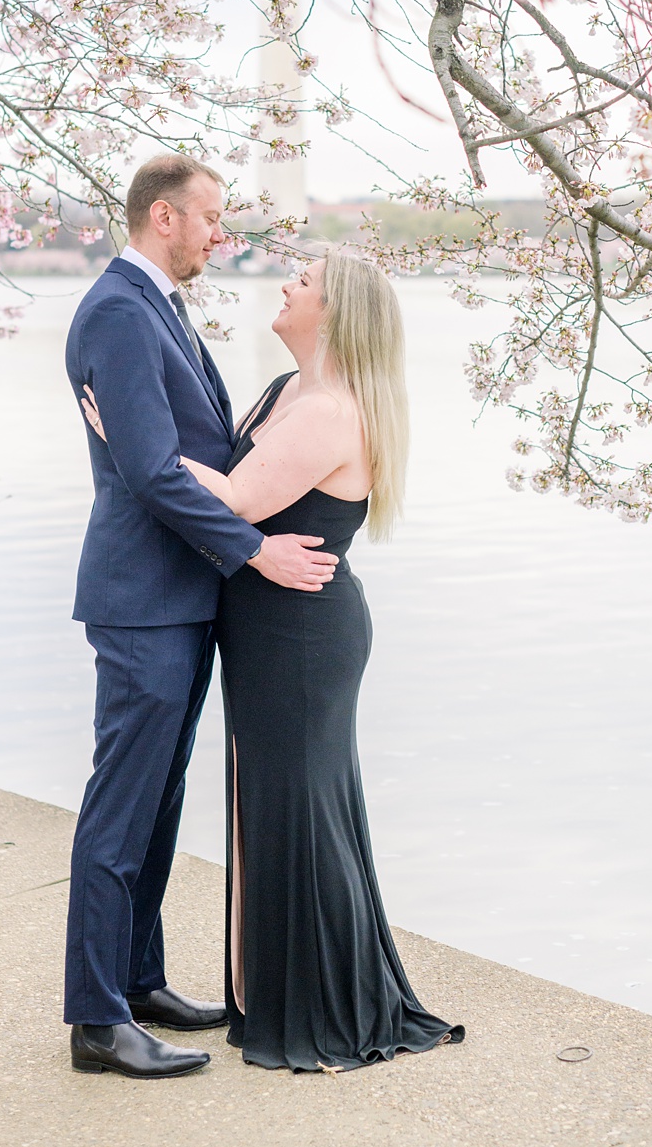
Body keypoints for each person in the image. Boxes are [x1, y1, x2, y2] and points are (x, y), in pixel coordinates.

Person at [82, 248, 462, 1072]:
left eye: (304, 282)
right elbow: (230, 470)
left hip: (301, 632)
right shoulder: (290, 390)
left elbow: (236, 498)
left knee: (300, 807)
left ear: (332, 313)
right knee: (274, 808)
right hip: (264, 623)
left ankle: (323, 1003)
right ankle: (283, 991)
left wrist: (129, 439)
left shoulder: (330, 410)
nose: (286, 285)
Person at [61, 156, 336, 1080]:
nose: (224, 235)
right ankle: (98, 1021)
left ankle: (138, 982)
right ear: (165, 217)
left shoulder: (158, 308)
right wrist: (256, 549)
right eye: (213, 219)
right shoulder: (116, 310)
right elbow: (149, 467)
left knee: (160, 804)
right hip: (144, 599)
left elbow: (197, 447)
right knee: (121, 808)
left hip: (178, 595)